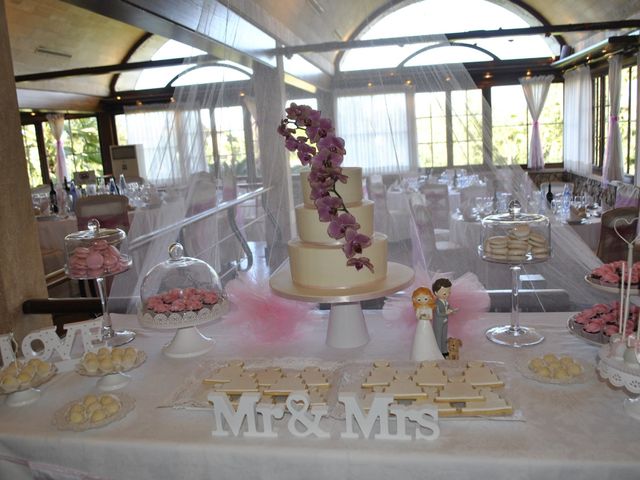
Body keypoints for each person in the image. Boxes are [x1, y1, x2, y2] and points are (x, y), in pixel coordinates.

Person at [410, 287, 444, 361]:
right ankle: (419, 355)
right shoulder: (418, 308)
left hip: (427, 325)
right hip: (420, 325)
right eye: (419, 299)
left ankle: (429, 354)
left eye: (425, 299)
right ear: (415, 299)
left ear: (430, 298)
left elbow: (430, 316)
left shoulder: (429, 308)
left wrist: (424, 316)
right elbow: (417, 316)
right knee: (420, 338)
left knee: (428, 337)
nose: (422, 301)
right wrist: (422, 316)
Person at [432, 278, 457, 357]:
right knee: (438, 337)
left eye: (449, 292)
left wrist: (453, 310)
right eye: (444, 294)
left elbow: (448, 307)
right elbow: (438, 313)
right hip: (438, 323)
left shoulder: (446, 301)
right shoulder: (436, 303)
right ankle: (438, 352)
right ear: (436, 293)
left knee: (444, 337)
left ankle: (444, 350)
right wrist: (446, 312)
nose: (447, 295)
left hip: (445, 321)